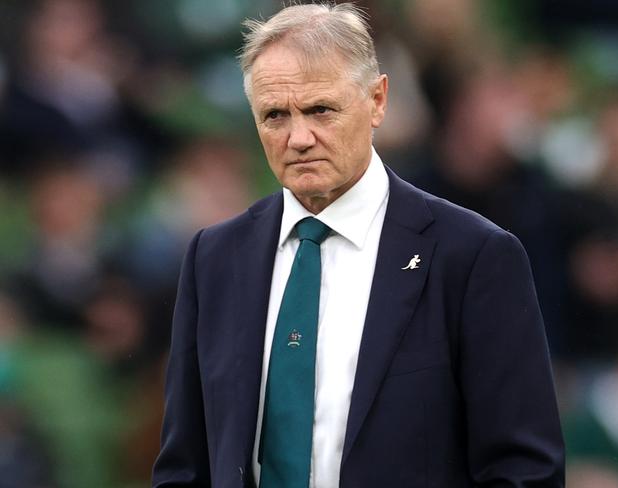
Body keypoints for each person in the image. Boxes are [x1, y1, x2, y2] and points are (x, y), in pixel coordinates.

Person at [152, 3, 564, 487]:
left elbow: (524, 469)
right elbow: (185, 465)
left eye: (320, 110)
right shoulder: (214, 258)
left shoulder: (472, 256)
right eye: (274, 115)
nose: (298, 137)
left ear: (377, 100)